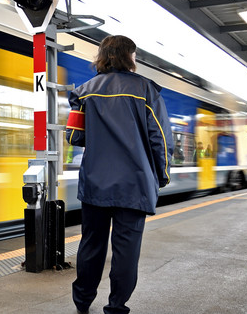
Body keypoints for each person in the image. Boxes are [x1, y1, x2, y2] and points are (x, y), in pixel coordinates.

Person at [65, 35, 173, 314]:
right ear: (129, 56)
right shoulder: (146, 91)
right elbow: (160, 139)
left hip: (95, 183)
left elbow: (74, 136)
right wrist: (161, 176)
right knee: (126, 250)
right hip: (134, 184)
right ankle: (116, 306)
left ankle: (82, 301)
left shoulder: (85, 91)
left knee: (91, 244)